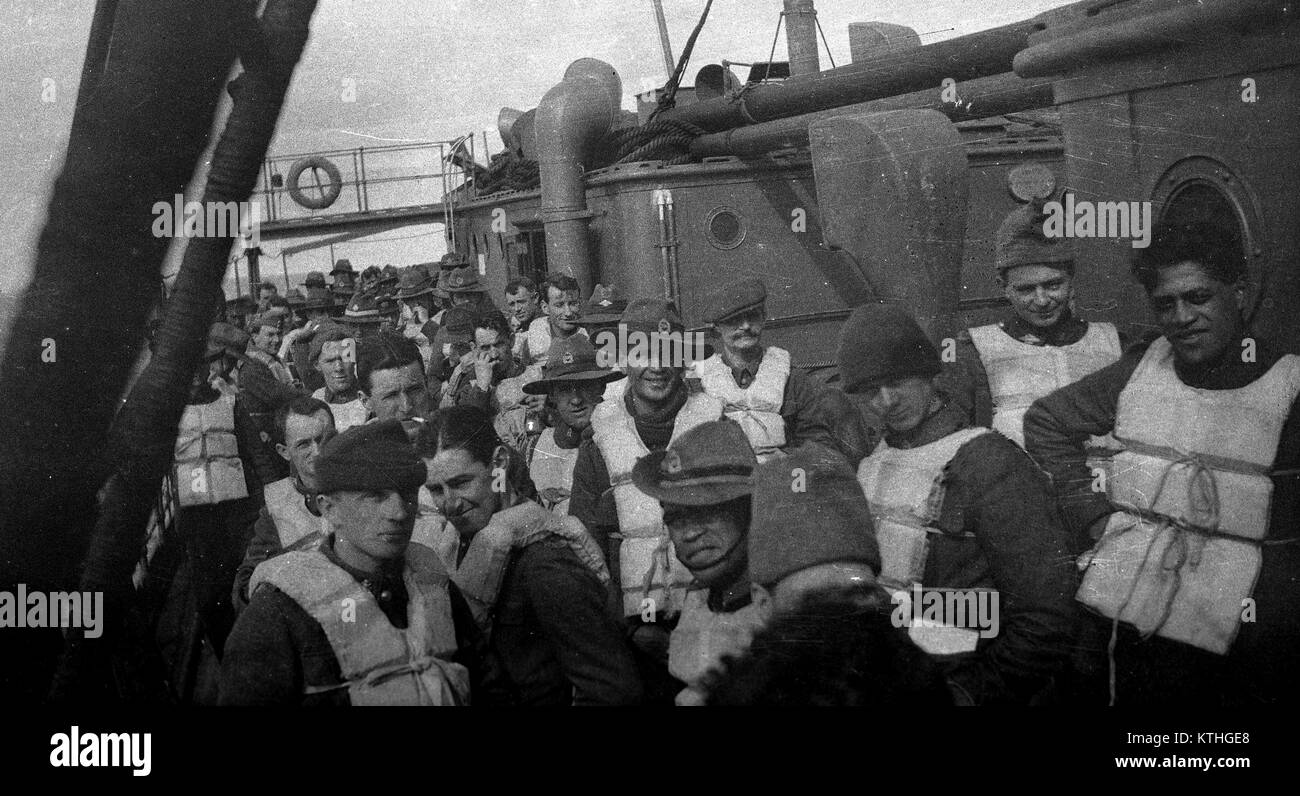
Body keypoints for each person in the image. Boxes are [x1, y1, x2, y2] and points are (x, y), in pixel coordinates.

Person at [1024, 221, 1300, 705]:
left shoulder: (1288, 383)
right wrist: (1090, 515)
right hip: (1128, 601)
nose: (1182, 317)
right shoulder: (1142, 365)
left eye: (1198, 297)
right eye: (1165, 304)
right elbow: (1047, 420)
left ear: (1237, 292)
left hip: (1240, 621)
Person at [841, 303, 1077, 704]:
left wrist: (968, 695)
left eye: (897, 380)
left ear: (929, 374)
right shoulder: (870, 465)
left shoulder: (990, 462)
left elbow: (1045, 618)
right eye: (868, 389)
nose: (885, 400)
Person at [221, 420, 471, 705]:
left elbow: (487, 681)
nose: (399, 512)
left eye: (407, 493)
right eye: (375, 496)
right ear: (329, 509)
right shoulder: (280, 609)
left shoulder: (430, 579)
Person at [414, 406, 642, 705]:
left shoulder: (545, 563)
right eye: (436, 490)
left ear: (499, 463)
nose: (450, 504)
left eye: (460, 483)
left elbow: (614, 690)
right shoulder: (460, 545)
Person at [570, 299, 724, 648]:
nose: (656, 367)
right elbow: (584, 546)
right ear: (624, 361)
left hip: (711, 623)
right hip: (634, 628)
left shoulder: (717, 427)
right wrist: (622, 630)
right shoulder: (598, 444)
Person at [150, 323, 265, 703]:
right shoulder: (164, 414)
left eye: (207, 365)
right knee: (210, 597)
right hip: (197, 521)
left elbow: (257, 459)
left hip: (239, 513)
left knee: (246, 585)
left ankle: (257, 662)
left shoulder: (233, 403)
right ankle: (232, 664)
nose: (204, 373)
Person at [954, 201, 1124, 450]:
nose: (1042, 300)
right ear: (1004, 287)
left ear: (1071, 279)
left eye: (1054, 285)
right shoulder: (977, 353)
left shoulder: (1114, 342)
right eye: (1025, 289)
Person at [631, 420, 766, 705]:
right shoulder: (700, 597)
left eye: (708, 512)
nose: (689, 534)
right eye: (676, 519)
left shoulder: (783, 612)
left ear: (751, 509)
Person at [692, 277, 841, 461]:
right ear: (716, 330)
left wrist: (787, 459)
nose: (746, 326)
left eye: (753, 316)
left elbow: (820, 444)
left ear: (763, 318)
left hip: (781, 479)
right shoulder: (698, 383)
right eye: (734, 320)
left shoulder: (793, 380)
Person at [231, 396, 336, 612]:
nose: (317, 451)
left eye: (324, 439)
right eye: (304, 444)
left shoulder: (365, 483)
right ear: (284, 451)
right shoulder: (279, 504)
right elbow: (244, 586)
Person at [520, 335, 624, 514]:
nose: (576, 400)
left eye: (584, 386)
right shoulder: (536, 446)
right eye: (565, 389)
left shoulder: (624, 438)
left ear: (600, 387)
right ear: (551, 395)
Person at [439, 312, 525, 412]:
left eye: (499, 345)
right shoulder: (468, 389)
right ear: (474, 348)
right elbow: (471, 424)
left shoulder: (531, 374)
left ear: (511, 340)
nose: (493, 355)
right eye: (485, 348)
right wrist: (482, 388)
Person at [356, 331, 432, 435]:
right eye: (391, 395)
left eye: (414, 390)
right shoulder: (356, 450)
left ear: (426, 385)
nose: (406, 407)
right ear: (365, 401)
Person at [308, 326, 368, 432]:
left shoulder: (370, 399)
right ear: (317, 365)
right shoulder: (315, 401)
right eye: (330, 361)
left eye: (345, 359)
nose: (338, 368)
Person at [519, 273, 585, 366]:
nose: (568, 313)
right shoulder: (538, 331)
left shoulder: (589, 331)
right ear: (545, 307)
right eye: (559, 305)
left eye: (573, 303)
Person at [504, 277, 541, 359]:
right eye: (512, 304)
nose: (517, 309)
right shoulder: (520, 328)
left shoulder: (547, 324)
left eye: (521, 302)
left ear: (535, 298)